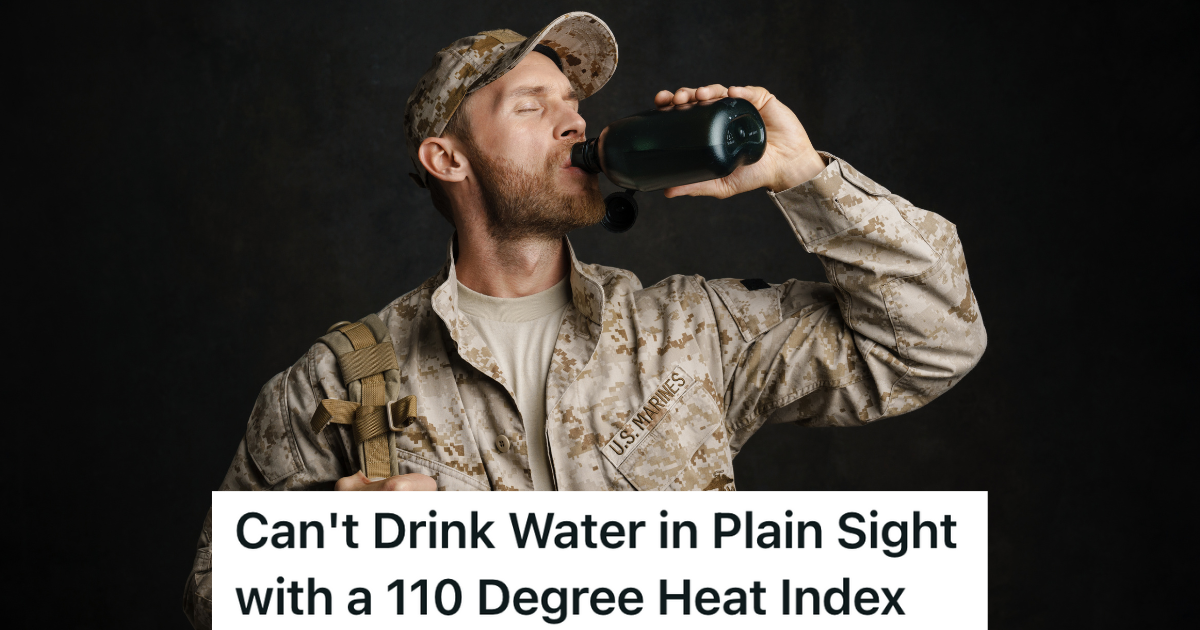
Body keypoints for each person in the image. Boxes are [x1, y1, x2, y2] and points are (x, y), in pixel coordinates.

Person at [182, 11, 986, 627]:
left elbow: (933, 342)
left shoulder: (690, 331)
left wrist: (805, 179)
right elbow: (215, 593)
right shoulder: (343, 376)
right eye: (533, 106)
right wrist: (330, 548)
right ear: (448, 159)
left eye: (575, 104)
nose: (575, 124)